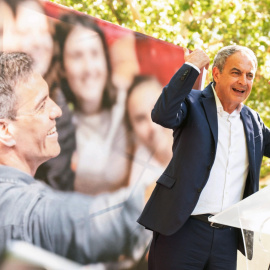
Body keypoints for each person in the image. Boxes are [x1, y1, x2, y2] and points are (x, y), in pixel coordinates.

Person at [0, 51, 144, 265]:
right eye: (41, 105)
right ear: (5, 131)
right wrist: (167, 195)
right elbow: (75, 224)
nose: (57, 110)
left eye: (51, 98)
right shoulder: (12, 206)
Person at [138, 45, 270, 270]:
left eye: (249, 76)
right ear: (216, 74)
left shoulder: (254, 122)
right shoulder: (192, 103)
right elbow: (162, 113)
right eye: (236, 72)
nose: (243, 82)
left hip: (227, 240)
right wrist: (191, 67)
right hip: (181, 231)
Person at [2, 0, 76, 191]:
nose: (37, 41)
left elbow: (56, 185)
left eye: (44, 32)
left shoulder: (59, 105)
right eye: (26, 32)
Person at [56, 13, 131, 195]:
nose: (89, 68)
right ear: (63, 67)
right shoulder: (56, 124)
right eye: (77, 56)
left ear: (105, 60)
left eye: (95, 54)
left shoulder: (130, 105)